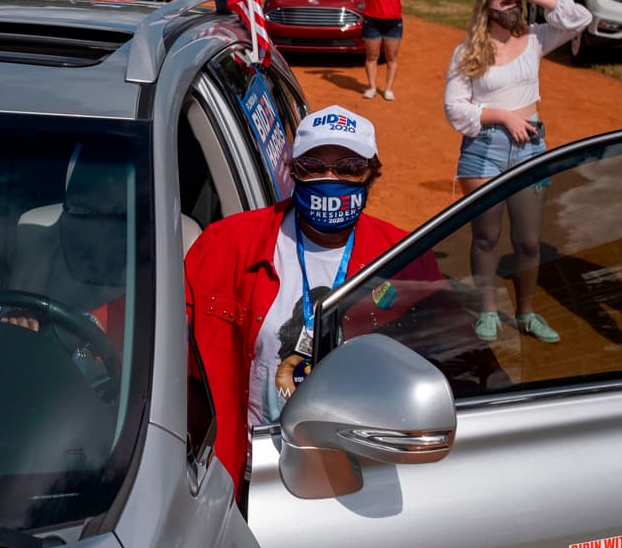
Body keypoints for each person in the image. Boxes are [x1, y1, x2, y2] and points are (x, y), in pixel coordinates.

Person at [184, 105, 443, 490]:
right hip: (248, 479)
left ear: (371, 174)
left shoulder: (406, 259)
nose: (330, 178)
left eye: (349, 167)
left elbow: (450, 361)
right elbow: (157, 331)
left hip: (363, 477)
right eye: (314, 166)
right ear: (294, 170)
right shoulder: (226, 244)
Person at [444, 0, 591, 344]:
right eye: (506, 1)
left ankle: (526, 314)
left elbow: (580, 18)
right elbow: (454, 107)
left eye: (517, 1)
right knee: (486, 237)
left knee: (528, 241)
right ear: (487, 6)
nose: (514, 7)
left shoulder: (536, 39)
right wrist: (502, 116)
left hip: (530, 148)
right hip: (484, 149)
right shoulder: (467, 53)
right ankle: (488, 311)